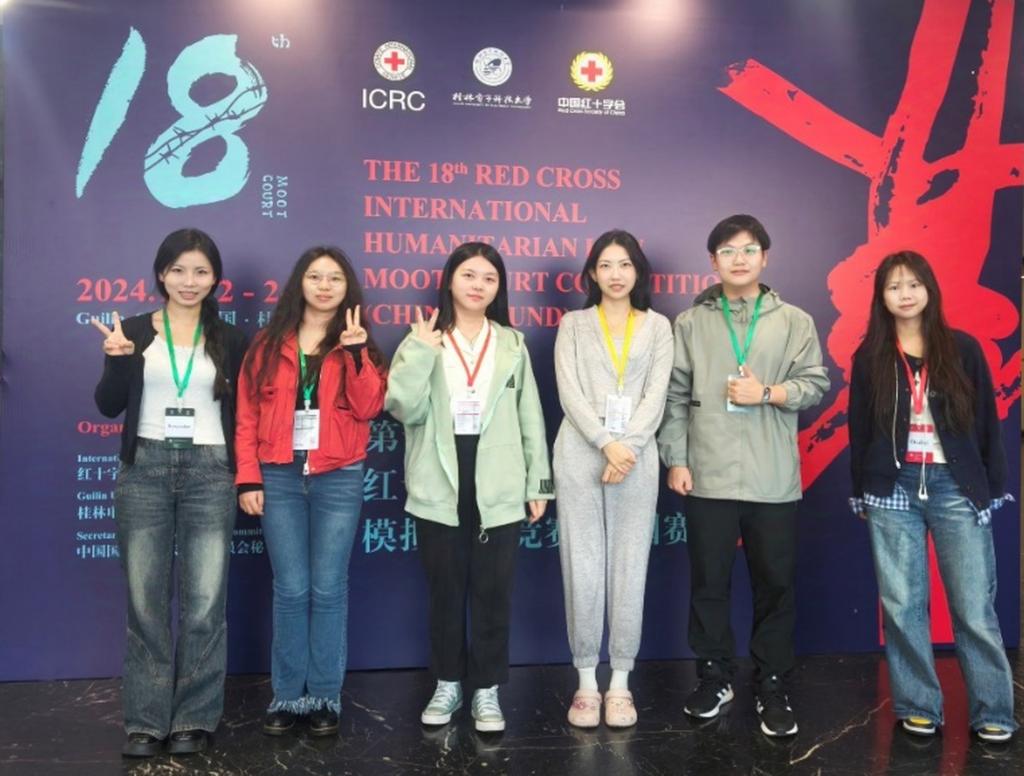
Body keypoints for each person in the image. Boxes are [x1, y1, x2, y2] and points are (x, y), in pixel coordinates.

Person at [657, 214, 829, 737]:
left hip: (771, 476)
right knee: (708, 582)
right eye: (728, 251)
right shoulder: (691, 323)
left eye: (749, 249)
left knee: (775, 584)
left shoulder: (794, 321)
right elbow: (674, 396)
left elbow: (816, 382)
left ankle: (772, 682)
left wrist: (770, 393)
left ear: (765, 257)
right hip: (706, 473)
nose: (739, 259)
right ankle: (714, 676)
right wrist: (676, 458)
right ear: (713, 261)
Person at [92, 228, 249, 757]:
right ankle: (145, 720)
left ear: (215, 278)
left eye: (201, 271)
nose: (189, 281)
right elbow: (108, 406)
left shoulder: (230, 338)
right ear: (161, 273)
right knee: (146, 601)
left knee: (205, 603)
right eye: (178, 270)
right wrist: (118, 360)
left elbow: (244, 414)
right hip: (146, 467)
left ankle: (194, 719)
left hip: (211, 469)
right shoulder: (134, 330)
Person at [384, 242, 553, 732]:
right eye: (469, 275)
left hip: (499, 472)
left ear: (499, 288)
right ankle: (447, 683)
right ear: (450, 281)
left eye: (489, 278)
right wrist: (421, 351)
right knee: (446, 589)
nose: (478, 285)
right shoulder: (423, 337)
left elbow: (530, 416)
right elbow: (403, 409)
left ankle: (486, 689)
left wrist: (538, 483)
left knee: (493, 590)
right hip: (441, 472)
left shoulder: (512, 343)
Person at [848, 251, 1016, 743]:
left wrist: (990, 490)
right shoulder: (871, 356)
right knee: (902, 604)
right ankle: (919, 705)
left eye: (913, 284)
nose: (905, 294)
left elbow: (987, 423)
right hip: (892, 487)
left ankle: (993, 711)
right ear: (881, 296)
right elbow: (860, 431)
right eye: (894, 286)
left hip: (955, 485)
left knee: (973, 606)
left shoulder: (962, 349)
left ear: (929, 290)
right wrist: (862, 492)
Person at [235, 246, 387, 737]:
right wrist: (248, 476)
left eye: (335, 278)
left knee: (328, 587)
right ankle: (286, 695)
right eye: (315, 276)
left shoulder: (358, 343)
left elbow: (369, 408)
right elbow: (247, 415)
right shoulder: (267, 343)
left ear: (348, 289)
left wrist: (357, 353)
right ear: (299, 283)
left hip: (338, 475)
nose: (324, 286)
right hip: (278, 474)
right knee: (290, 588)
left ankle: (323, 695)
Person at [552, 229, 673, 728]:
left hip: (636, 457)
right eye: (606, 265)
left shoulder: (658, 326)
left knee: (629, 565)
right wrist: (606, 442)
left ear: (638, 271)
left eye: (625, 264)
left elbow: (656, 395)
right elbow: (569, 391)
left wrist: (628, 449)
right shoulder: (574, 324)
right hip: (581, 452)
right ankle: (585, 679)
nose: (616, 274)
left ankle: (621, 680)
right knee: (581, 564)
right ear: (592, 273)